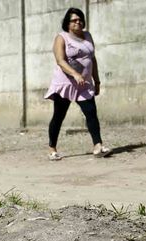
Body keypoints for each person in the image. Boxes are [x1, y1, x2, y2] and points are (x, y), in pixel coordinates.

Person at [44, 7, 110, 160]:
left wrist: (97, 81)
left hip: (84, 83)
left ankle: (98, 146)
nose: (78, 22)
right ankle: (52, 148)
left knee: (91, 113)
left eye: (80, 19)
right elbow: (60, 60)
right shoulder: (62, 38)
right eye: (74, 20)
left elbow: (92, 59)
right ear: (68, 23)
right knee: (59, 116)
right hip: (66, 82)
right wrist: (75, 74)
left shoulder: (88, 36)